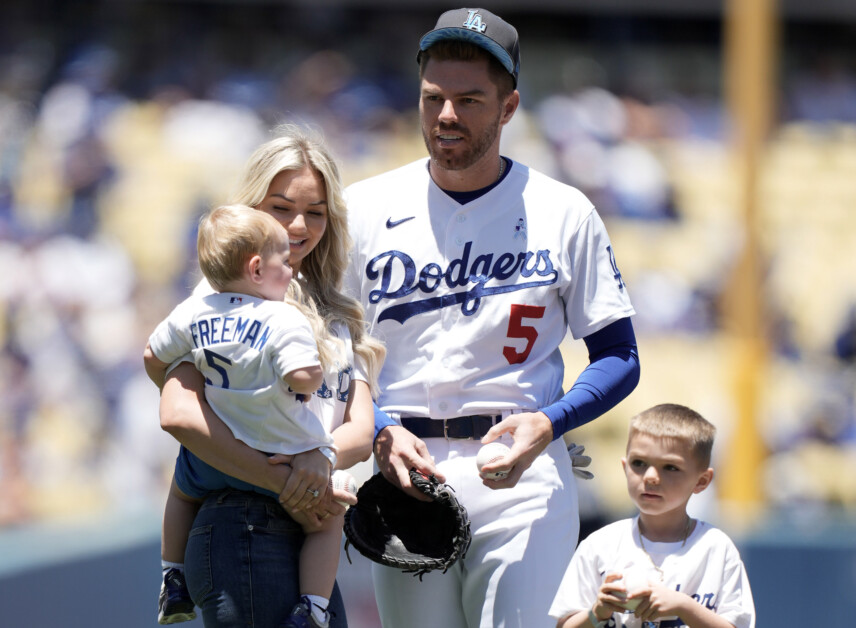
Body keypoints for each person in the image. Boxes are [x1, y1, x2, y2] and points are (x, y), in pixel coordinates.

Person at [342, 8, 641, 628]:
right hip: (404, 472)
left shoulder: (563, 211)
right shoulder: (362, 209)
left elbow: (619, 354)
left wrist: (552, 422)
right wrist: (377, 426)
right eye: (433, 99)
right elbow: (329, 347)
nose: (446, 116)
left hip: (522, 477)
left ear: (508, 108)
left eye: (469, 100)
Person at [156, 126, 386, 628]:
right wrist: (286, 481)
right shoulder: (217, 300)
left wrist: (317, 456)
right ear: (252, 210)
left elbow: (361, 430)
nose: (299, 225)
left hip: (310, 535)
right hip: (243, 523)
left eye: (316, 212)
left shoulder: (341, 310)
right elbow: (176, 413)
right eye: (281, 208)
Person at [144, 204, 347, 626]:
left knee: (180, 494)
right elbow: (303, 377)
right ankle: (313, 607)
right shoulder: (281, 315)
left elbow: (151, 356)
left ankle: (172, 578)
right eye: (284, 263)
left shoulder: (191, 312)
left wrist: (172, 380)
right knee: (327, 521)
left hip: (212, 461)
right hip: (280, 456)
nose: (291, 271)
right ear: (256, 269)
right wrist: (307, 380)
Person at [549, 404, 756, 628]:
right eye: (639, 463)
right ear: (625, 467)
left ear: (701, 481)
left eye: (670, 467)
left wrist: (684, 606)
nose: (650, 477)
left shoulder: (716, 548)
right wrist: (597, 612)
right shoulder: (600, 545)